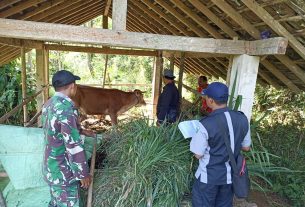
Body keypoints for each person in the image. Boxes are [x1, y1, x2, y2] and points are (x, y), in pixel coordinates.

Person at [190, 82, 251, 207]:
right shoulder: (242, 119)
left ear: (211, 101)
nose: (206, 99)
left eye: (206, 97)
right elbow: (246, 147)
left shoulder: (206, 124)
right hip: (229, 178)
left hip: (208, 178)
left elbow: (197, 154)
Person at [42, 70, 96, 207]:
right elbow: (73, 145)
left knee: (56, 202)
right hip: (63, 172)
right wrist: (83, 173)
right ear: (73, 86)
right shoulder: (66, 108)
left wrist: (81, 130)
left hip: (51, 167)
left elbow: (57, 129)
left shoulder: (49, 104)